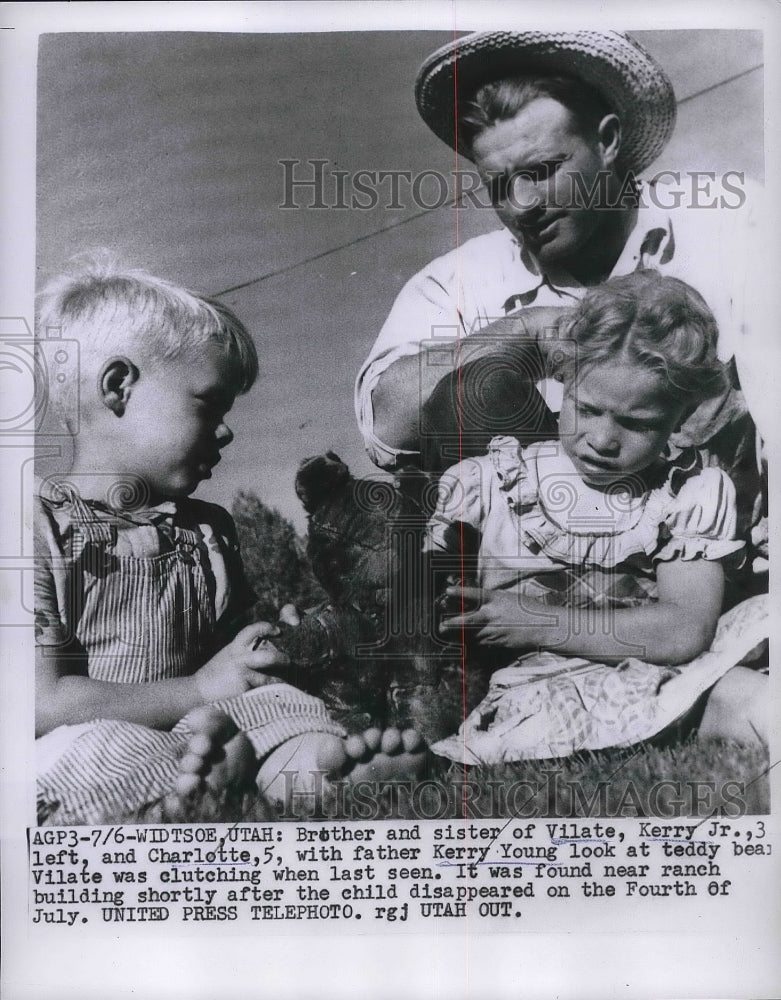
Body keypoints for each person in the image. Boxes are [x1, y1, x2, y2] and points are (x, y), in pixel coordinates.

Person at [34, 258, 424, 825]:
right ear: (118, 386)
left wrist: (264, 645)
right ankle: (165, 802)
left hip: (207, 725)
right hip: (98, 727)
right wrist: (196, 688)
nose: (225, 429)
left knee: (276, 706)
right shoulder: (34, 524)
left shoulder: (206, 530)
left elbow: (228, 657)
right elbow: (37, 704)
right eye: (209, 403)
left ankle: (322, 773)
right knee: (96, 749)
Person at [355, 30, 763, 528]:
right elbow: (388, 426)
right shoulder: (457, 283)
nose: (524, 205)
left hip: (735, 553)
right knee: (470, 390)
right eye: (500, 186)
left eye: (545, 169)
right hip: (544, 580)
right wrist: (531, 331)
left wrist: (731, 399)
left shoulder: (734, 221)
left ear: (608, 141)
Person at [426, 272, 768, 764]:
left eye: (638, 423)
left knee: (749, 699)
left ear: (681, 414)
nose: (604, 439)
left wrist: (540, 623)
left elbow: (684, 631)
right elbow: (430, 606)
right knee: (510, 738)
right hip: (536, 687)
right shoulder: (492, 483)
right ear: (562, 381)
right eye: (587, 410)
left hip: (667, 672)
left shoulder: (688, 491)